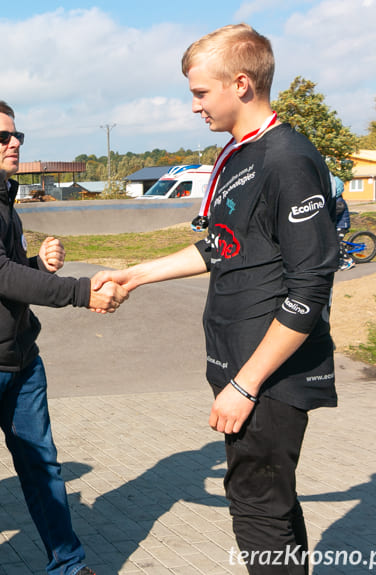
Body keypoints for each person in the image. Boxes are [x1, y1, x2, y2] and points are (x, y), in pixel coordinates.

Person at [93, 24, 337, 574]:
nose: (195, 106)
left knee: (257, 511)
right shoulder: (242, 154)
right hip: (241, 365)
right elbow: (221, 246)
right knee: (271, 505)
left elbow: (309, 288)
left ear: (242, 83)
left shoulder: (287, 160)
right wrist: (136, 274)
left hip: (268, 375)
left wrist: (245, 385)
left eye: (200, 93)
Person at [0, 99, 128, 575]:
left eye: (17, 135)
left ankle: (68, 563)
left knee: (42, 467)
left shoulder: (0, 198)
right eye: (3, 136)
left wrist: (37, 266)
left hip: (20, 359)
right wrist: (81, 292)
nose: (14, 142)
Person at [333, 175, 354, 270]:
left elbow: (335, 214)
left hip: (342, 225)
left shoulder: (339, 202)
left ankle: (349, 260)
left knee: (337, 242)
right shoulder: (335, 200)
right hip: (337, 224)